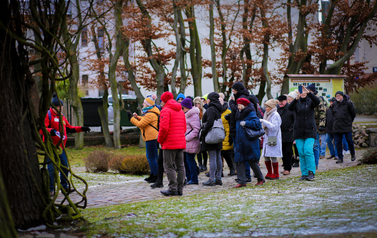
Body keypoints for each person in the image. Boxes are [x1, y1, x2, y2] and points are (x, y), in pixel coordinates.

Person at [41, 94, 90, 196]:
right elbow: (42, 129)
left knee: (65, 166)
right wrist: (51, 131)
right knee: (51, 169)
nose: (60, 108)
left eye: (61, 107)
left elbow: (69, 128)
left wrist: (81, 128)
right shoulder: (48, 115)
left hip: (61, 147)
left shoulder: (62, 117)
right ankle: (50, 190)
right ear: (53, 107)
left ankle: (64, 187)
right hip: (51, 146)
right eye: (58, 107)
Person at [288, 85, 320, 181]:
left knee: (308, 150)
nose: (302, 94)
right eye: (301, 92)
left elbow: (317, 102)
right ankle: (304, 173)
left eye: (304, 92)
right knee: (301, 153)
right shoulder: (296, 102)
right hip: (298, 131)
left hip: (310, 130)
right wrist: (296, 99)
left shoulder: (310, 101)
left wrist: (309, 93)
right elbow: (290, 108)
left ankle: (311, 172)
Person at [158, 92, 187, 196]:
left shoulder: (165, 110)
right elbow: (184, 128)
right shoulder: (180, 110)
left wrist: (160, 140)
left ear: (164, 100)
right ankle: (180, 189)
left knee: (168, 165)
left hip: (169, 142)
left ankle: (172, 188)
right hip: (180, 141)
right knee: (180, 166)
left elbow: (164, 128)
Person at [128, 95, 160, 184]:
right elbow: (144, 120)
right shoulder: (151, 112)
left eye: (144, 103)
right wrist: (137, 117)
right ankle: (154, 174)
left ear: (148, 104)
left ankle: (156, 175)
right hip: (151, 137)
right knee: (153, 157)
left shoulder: (150, 113)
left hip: (151, 138)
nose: (142, 104)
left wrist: (131, 119)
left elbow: (141, 124)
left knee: (151, 158)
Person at [233, 98, 264, 187]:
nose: (237, 107)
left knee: (252, 161)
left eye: (239, 105)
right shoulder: (239, 114)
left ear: (243, 105)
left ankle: (260, 178)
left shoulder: (250, 113)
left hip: (249, 142)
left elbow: (258, 124)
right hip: (240, 141)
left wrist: (247, 123)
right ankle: (241, 181)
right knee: (240, 161)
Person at [201, 92, 224, 186]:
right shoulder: (218, 108)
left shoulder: (211, 108)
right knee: (218, 156)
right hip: (218, 135)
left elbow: (209, 122)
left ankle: (212, 179)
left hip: (211, 135)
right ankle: (218, 178)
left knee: (213, 158)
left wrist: (203, 132)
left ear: (210, 99)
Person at [260, 99, 282, 180]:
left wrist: (264, 121)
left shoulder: (275, 115)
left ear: (271, 107)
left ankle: (276, 174)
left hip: (273, 138)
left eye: (267, 107)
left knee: (273, 156)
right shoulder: (267, 114)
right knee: (266, 155)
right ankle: (269, 172)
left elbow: (274, 127)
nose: (265, 108)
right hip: (267, 137)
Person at [332, 91, 356, 163]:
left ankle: (352, 153)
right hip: (337, 126)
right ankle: (340, 157)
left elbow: (353, 114)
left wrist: (349, 122)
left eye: (339, 95)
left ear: (342, 96)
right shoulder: (334, 104)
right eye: (336, 96)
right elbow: (334, 114)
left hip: (346, 126)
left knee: (349, 141)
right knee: (338, 143)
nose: (337, 97)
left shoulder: (348, 103)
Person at [181, 98, 201, 185]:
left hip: (191, 141)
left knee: (190, 160)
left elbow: (196, 130)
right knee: (186, 160)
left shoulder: (193, 115)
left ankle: (194, 179)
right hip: (186, 142)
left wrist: (186, 138)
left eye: (183, 107)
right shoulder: (186, 114)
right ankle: (189, 178)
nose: (182, 109)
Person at [306, 84, 326, 169]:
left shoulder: (318, 99)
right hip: (306, 125)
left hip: (315, 125)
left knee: (315, 145)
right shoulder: (305, 98)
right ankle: (310, 163)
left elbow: (322, 112)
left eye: (308, 90)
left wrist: (322, 124)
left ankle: (315, 163)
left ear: (312, 91)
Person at [277, 95, 295, 176]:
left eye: (282, 101)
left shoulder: (291, 108)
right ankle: (285, 167)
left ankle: (288, 168)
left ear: (286, 101)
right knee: (282, 151)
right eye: (279, 101)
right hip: (280, 134)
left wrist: (292, 129)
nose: (280, 103)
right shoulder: (277, 109)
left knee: (288, 151)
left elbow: (295, 120)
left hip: (289, 133)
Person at [219, 93, 236, 176]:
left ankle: (232, 168)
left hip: (227, 134)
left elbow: (231, 125)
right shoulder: (216, 111)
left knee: (226, 153)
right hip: (218, 135)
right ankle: (220, 171)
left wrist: (229, 136)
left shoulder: (228, 112)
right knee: (219, 154)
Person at [194, 96, 208, 172]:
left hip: (203, 131)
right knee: (198, 150)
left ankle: (205, 164)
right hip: (197, 132)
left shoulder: (204, 111)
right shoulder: (194, 112)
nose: (197, 105)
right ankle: (200, 164)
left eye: (198, 103)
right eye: (196, 104)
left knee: (204, 150)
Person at [287, 90, 300, 167]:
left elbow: (295, 118)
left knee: (296, 146)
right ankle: (291, 159)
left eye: (290, 98)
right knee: (289, 147)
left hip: (294, 129)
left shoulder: (295, 107)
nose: (288, 99)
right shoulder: (289, 106)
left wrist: (292, 127)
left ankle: (297, 160)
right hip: (289, 130)